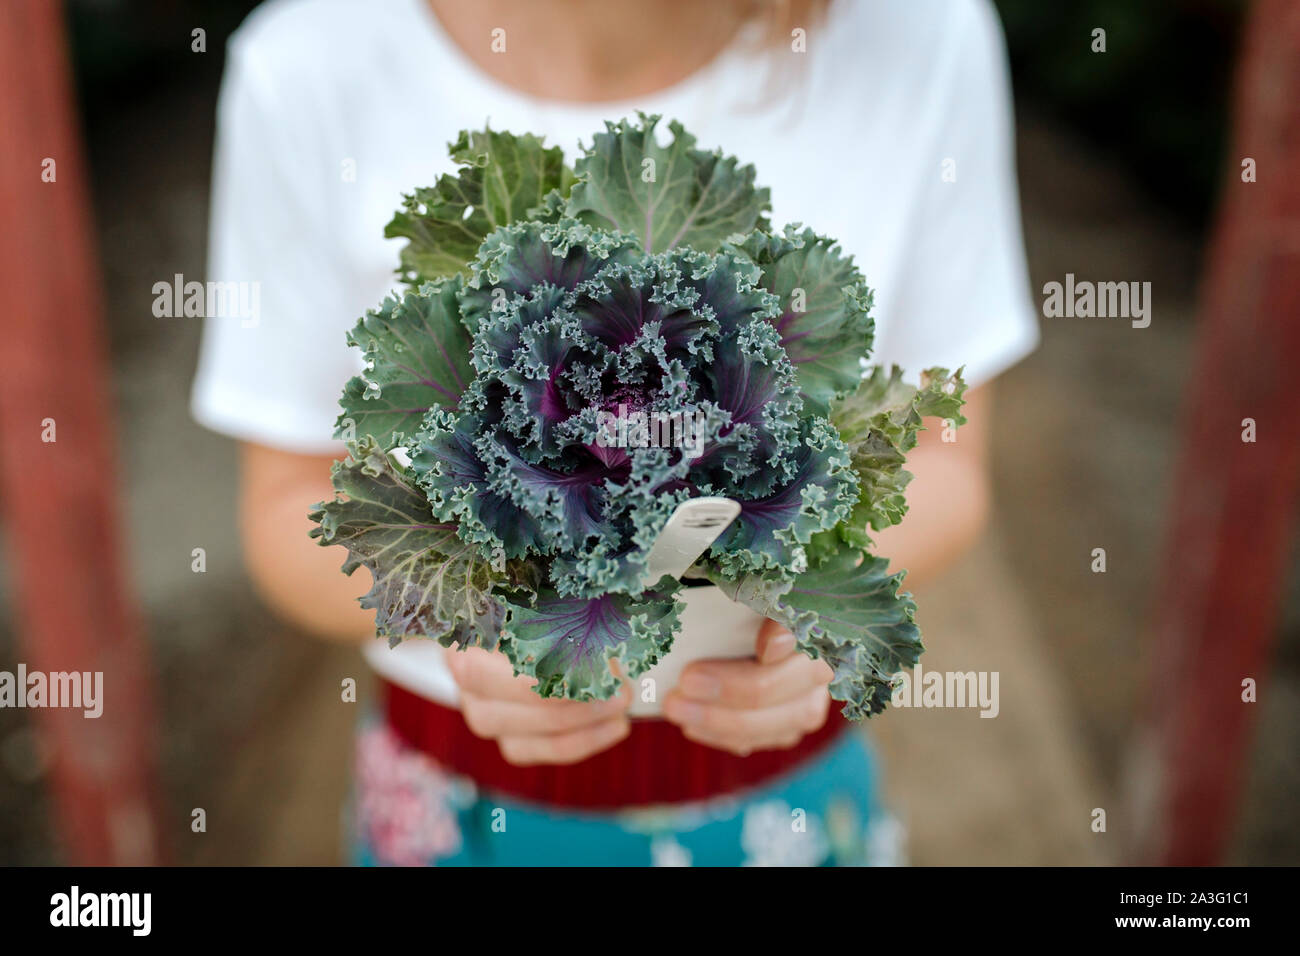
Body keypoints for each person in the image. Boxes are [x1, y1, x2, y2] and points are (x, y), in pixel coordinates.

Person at [192, 0, 1039, 866]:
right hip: (458, 807)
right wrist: (484, 622)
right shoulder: (306, 62)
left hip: (778, 807)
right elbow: (289, 512)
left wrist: (796, 620)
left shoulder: (922, 32)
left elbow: (944, 462)